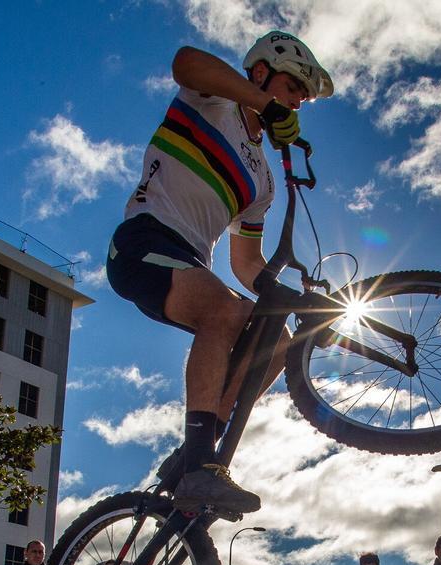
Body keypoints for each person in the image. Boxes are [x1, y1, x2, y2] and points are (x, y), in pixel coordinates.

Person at [106, 30, 333, 514]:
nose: (296, 104)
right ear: (260, 73)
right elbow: (185, 60)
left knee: (276, 340)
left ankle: (198, 455)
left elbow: (246, 263)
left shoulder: (263, 181)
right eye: (293, 90)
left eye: (301, 100)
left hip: (191, 263)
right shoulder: (214, 101)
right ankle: (197, 466)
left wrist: (302, 303)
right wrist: (262, 105)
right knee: (226, 313)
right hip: (143, 242)